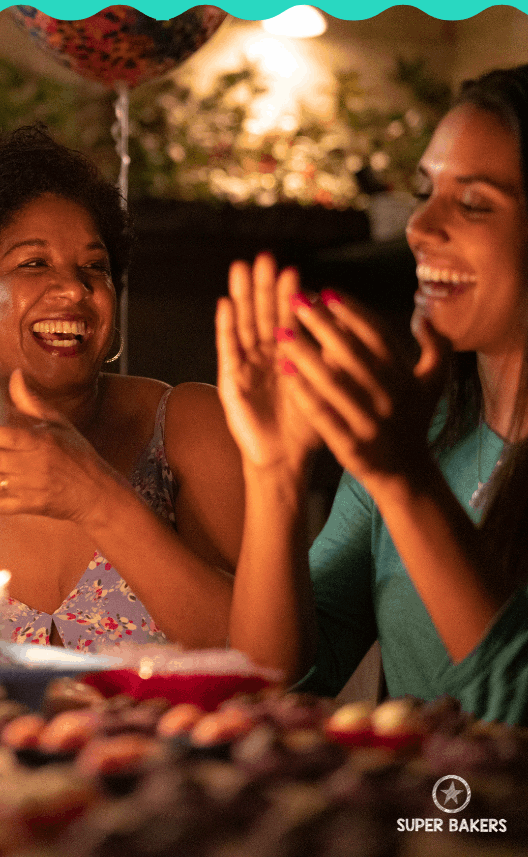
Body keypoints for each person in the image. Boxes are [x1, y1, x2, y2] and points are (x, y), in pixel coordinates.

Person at [218, 64, 528, 723]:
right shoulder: (421, 425)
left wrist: (405, 479)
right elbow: (273, 689)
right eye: (424, 192)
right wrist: (274, 473)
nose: (420, 228)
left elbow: (515, 712)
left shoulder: (402, 447)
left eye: (472, 203)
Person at [0, 126, 245, 651]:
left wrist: (95, 495)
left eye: (95, 266)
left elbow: (256, 656)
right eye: (34, 263)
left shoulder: (187, 424)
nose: (74, 288)